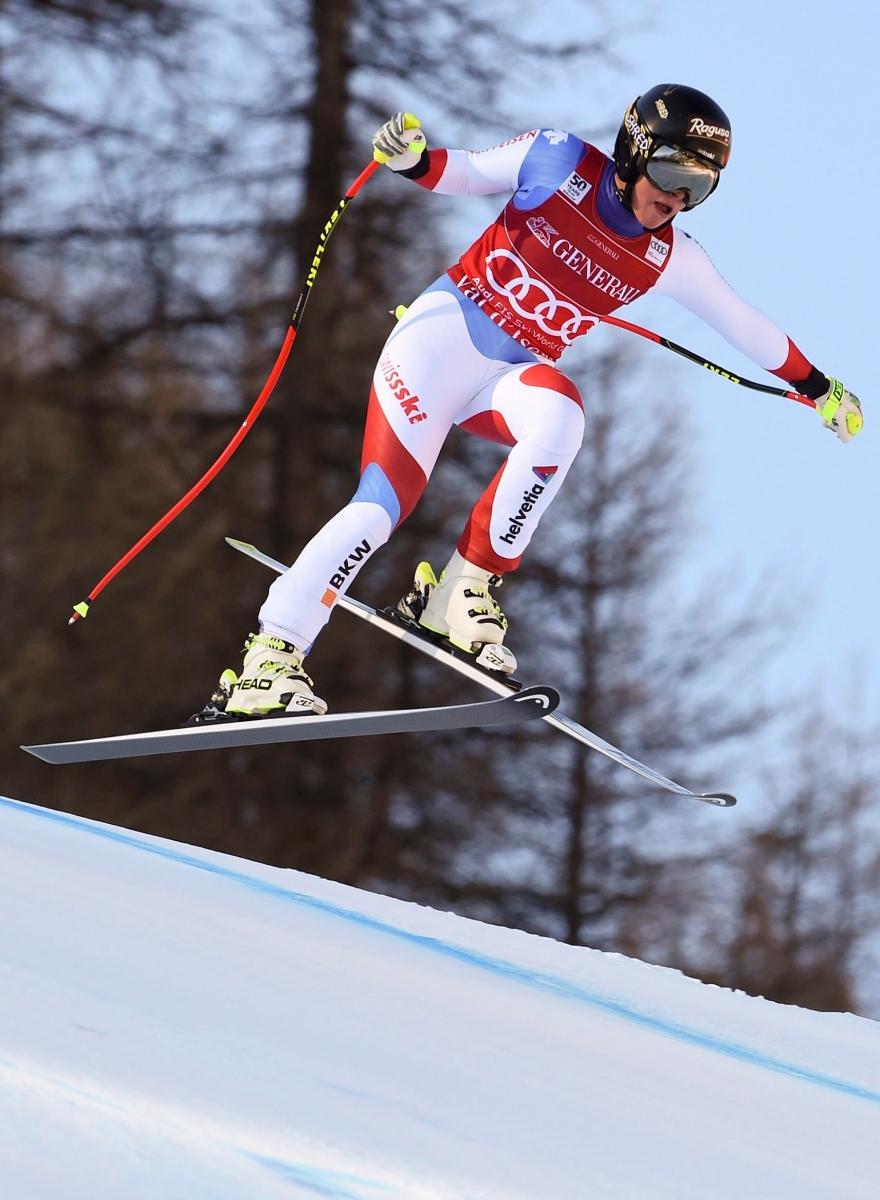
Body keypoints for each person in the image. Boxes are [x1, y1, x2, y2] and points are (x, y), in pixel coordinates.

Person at [201, 83, 864, 720]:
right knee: (381, 507)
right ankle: (271, 657)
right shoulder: (558, 158)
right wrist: (413, 162)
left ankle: (458, 595)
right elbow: (464, 173)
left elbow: (744, 324)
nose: (675, 198)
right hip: (437, 346)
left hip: (501, 379)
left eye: (699, 186)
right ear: (634, 150)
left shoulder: (671, 257)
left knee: (560, 416)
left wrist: (819, 388)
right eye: (670, 172)